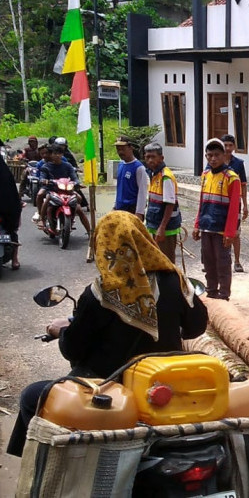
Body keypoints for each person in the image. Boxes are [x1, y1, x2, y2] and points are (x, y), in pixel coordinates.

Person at [6, 211, 209, 457]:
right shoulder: (175, 281)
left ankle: (36, 477)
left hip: (106, 393)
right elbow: (196, 327)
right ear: (142, 239)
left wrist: (63, 331)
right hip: (168, 387)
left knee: (31, 396)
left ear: (104, 246)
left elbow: (73, 350)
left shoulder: (100, 294)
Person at [192, 138, 241, 301]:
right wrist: (196, 225)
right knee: (208, 261)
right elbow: (201, 202)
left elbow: (234, 208)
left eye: (217, 155)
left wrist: (230, 233)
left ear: (224, 156)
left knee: (223, 262)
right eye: (209, 155)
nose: (213, 159)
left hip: (221, 228)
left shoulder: (232, 178)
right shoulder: (205, 175)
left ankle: (224, 293)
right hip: (206, 226)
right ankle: (211, 289)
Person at [36, 144, 91, 235]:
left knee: (79, 206)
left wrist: (77, 183)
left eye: (59, 153)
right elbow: (42, 178)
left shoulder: (67, 165)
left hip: (66, 190)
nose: (57, 155)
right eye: (55, 153)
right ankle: (42, 219)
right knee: (45, 197)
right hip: (52, 189)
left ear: (62, 154)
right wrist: (44, 181)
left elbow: (74, 177)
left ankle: (90, 232)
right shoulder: (45, 167)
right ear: (51, 154)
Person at [143, 142, 182, 263]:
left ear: (161, 158)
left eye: (153, 157)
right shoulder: (153, 174)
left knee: (167, 261)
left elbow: (170, 204)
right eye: (147, 157)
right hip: (155, 224)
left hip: (166, 228)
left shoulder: (166, 176)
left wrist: (162, 228)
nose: (150, 160)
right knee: (156, 260)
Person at [221, 134, 248, 273]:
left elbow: (243, 185)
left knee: (235, 233)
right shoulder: (215, 162)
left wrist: (245, 205)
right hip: (218, 203)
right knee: (218, 231)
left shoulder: (238, 164)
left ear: (234, 147)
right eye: (225, 145)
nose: (228, 148)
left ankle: (237, 262)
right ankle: (217, 260)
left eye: (230, 145)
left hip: (235, 203)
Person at [114, 136, 149, 220]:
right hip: (120, 209)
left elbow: (142, 192)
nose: (120, 152)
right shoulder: (121, 165)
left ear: (130, 148)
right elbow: (119, 188)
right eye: (118, 149)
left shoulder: (139, 168)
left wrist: (139, 213)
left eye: (123, 149)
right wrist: (115, 206)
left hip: (131, 210)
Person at [0, 152, 22, 270]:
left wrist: (16, 205)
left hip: (4, 210)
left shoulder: (4, 172)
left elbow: (11, 193)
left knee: (12, 230)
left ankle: (15, 258)